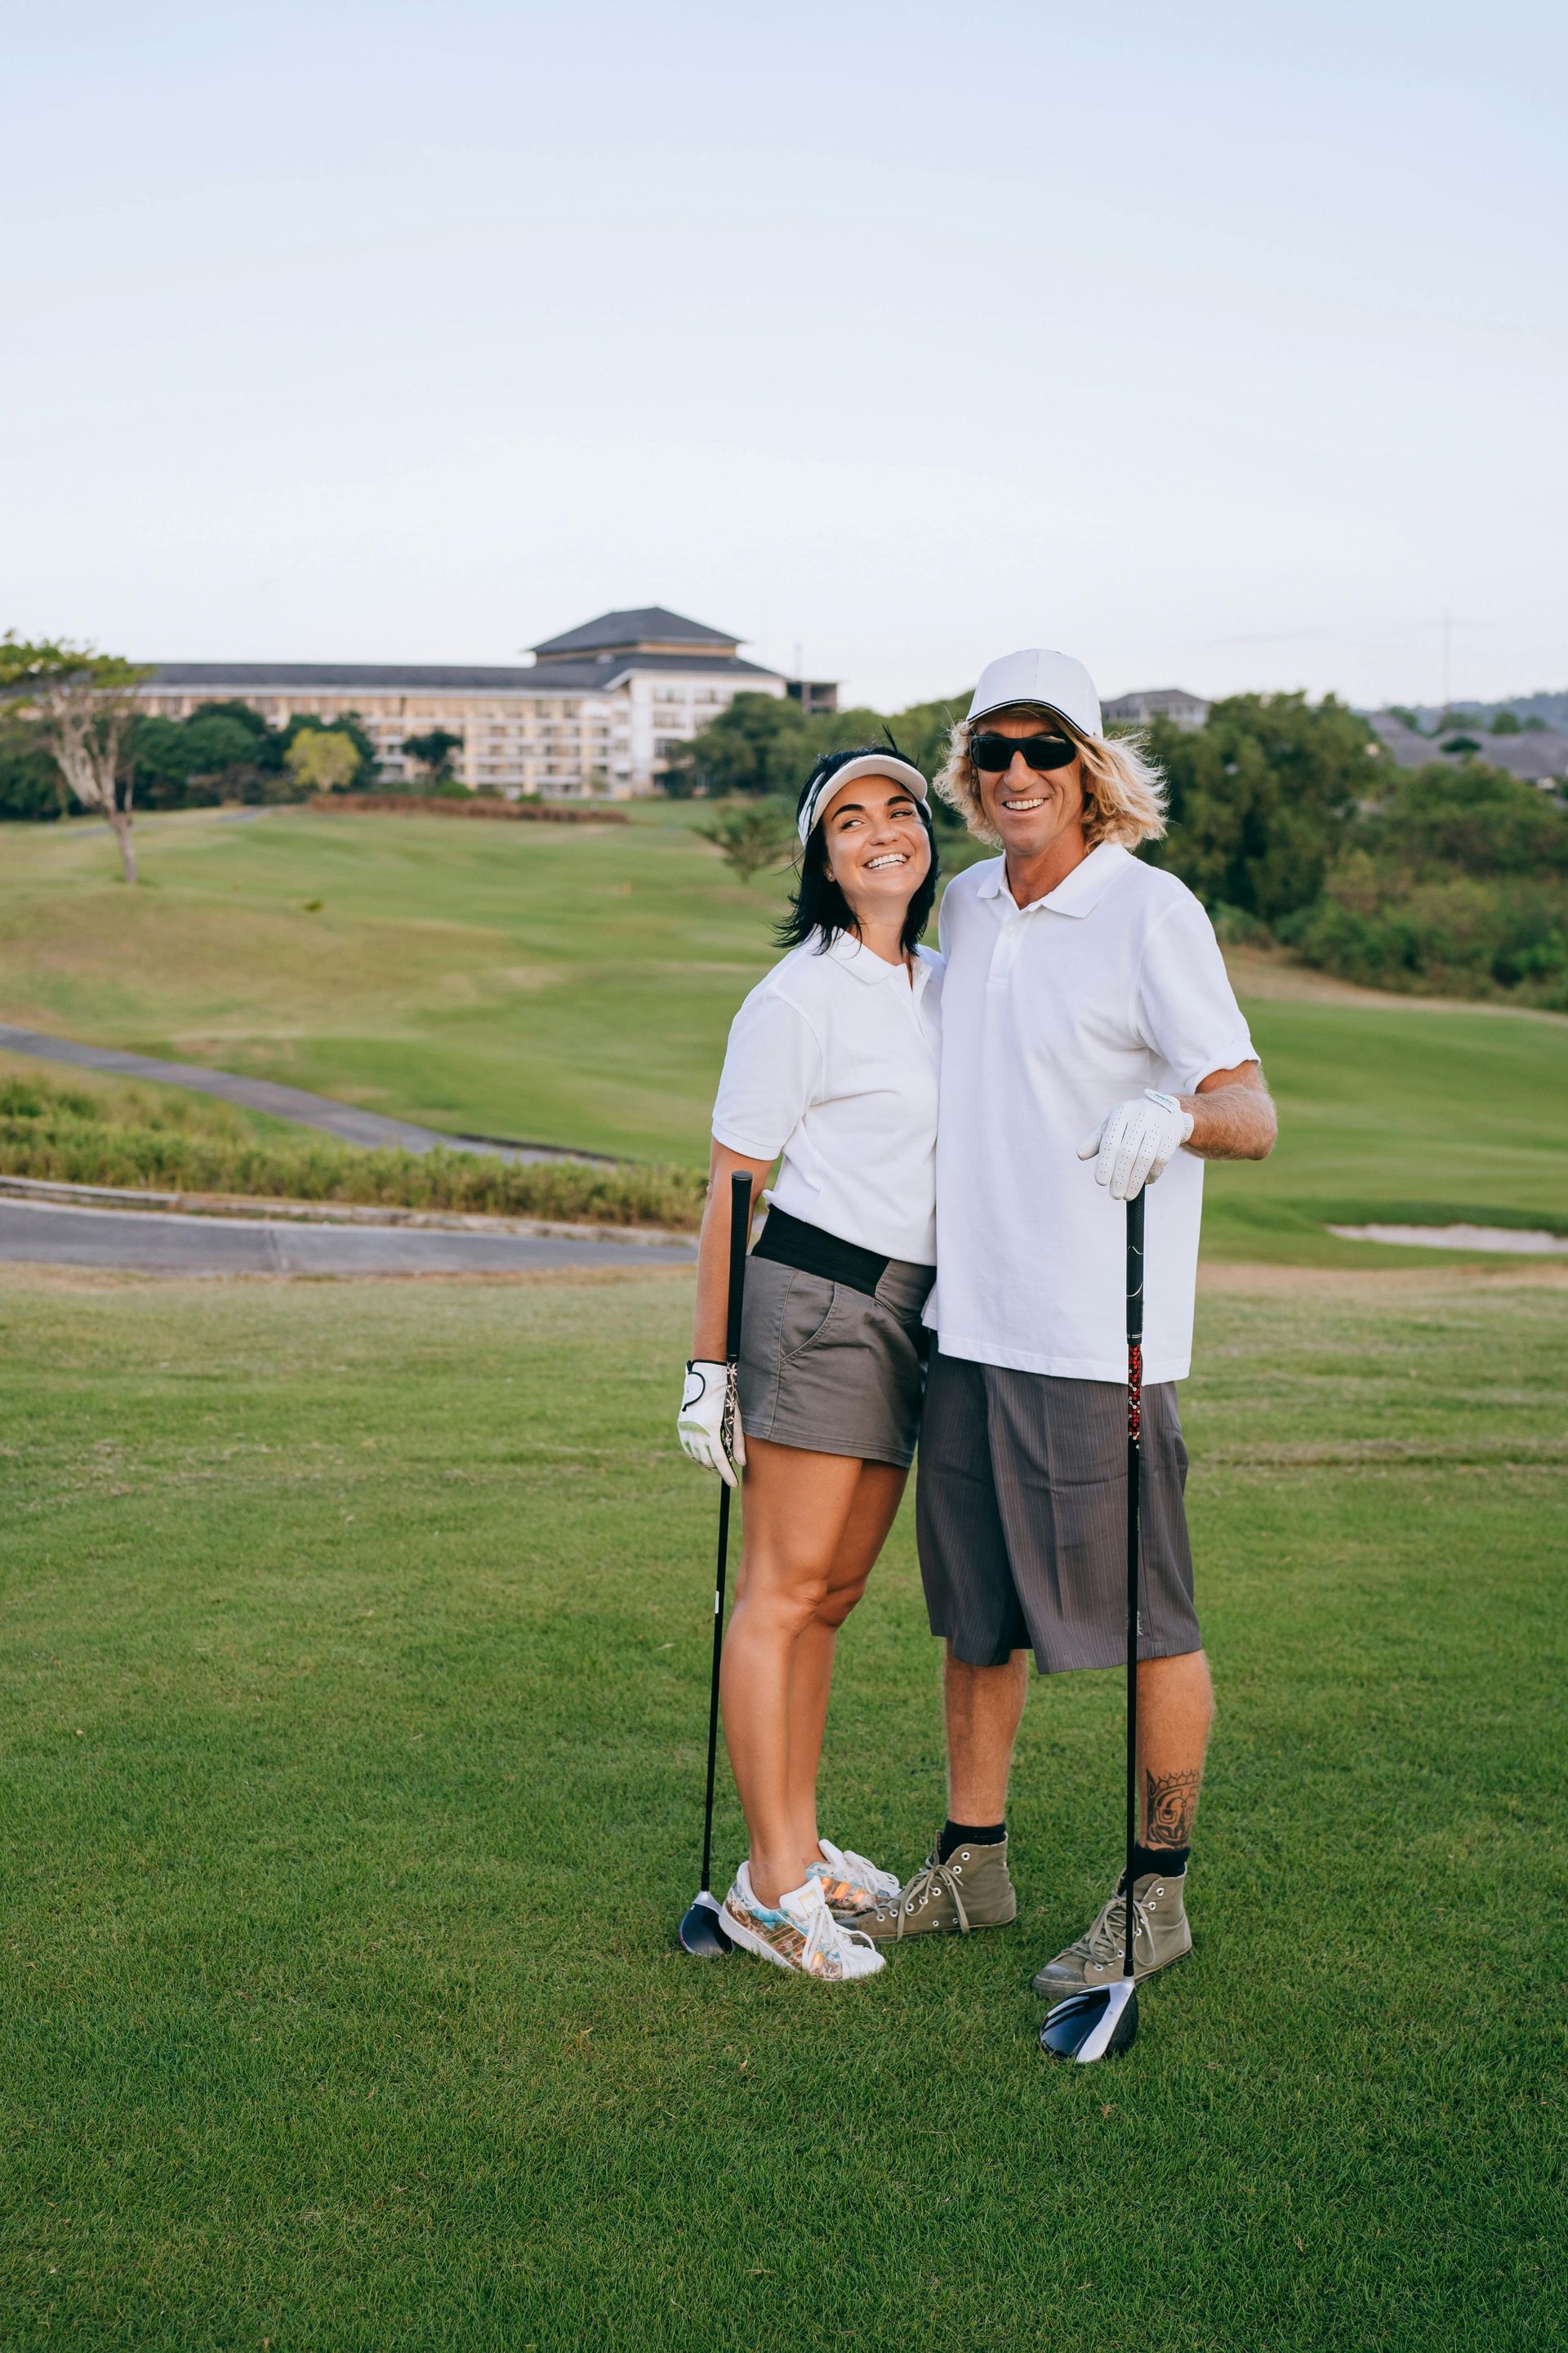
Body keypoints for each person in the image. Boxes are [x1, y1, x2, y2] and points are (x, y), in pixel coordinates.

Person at [854, 648, 1276, 1999]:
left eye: (1047, 750)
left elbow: (1250, 1111)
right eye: (994, 752)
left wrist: (1178, 1116)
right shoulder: (966, 904)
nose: (1018, 772)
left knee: (1150, 1621)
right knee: (974, 1621)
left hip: (1101, 1344)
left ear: (1091, 771)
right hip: (967, 1331)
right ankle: (973, 1862)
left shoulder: (1152, 913)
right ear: (971, 775)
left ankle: (1156, 1896)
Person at [676, 744, 943, 1982]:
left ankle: (798, 1840)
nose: (883, 831)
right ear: (821, 858)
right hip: (816, 1300)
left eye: (901, 809)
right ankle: (771, 1887)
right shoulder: (797, 995)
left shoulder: (937, 983)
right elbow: (735, 1184)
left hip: (910, 1313)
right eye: (852, 819)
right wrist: (708, 1365)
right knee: (781, 1595)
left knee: (831, 1597)